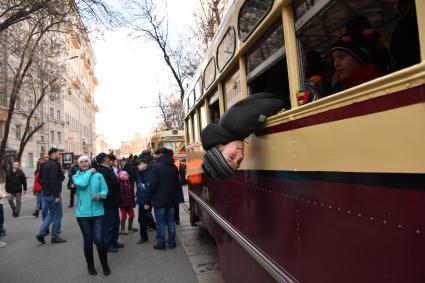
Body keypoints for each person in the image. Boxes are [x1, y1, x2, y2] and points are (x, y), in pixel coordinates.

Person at [201, 92, 285, 180]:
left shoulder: (238, 125)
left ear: (219, 147)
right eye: (238, 163)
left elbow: (276, 104)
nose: (240, 157)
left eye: (231, 157)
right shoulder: (226, 128)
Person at [72, 155, 110, 276]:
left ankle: (105, 265)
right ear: (79, 164)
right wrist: (89, 172)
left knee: (99, 239)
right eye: (81, 162)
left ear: (89, 163)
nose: (84, 163)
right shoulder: (75, 176)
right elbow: (82, 184)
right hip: (82, 214)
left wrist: (100, 195)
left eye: (86, 161)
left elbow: (105, 189)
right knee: (88, 240)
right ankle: (90, 265)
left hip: (98, 212)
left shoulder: (99, 175)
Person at [329, 30, 384, 94]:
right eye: (334, 59)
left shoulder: (378, 82)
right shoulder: (337, 89)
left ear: (359, 58)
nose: (335, 64)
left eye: (341, 57)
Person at [147, 147, 181, 250]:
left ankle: (161, 243)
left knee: (161, 222)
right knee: (171, 221)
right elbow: (177, 185)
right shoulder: (173, 167)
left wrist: (148, 197)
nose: (155, 157)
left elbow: (152, 184)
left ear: (160, 155)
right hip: (171, 200)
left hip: (159, 200)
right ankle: (172, 243)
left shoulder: (156, 167)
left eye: (157, 155)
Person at [36, 148, 66, 244]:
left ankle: (41, 233)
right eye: (58, 154)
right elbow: (53, 181)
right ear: (53, 154)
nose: (59, 155)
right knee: (58, 214)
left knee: (51, 214)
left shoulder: (44, 164)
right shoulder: (54, 165)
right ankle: (55, 236)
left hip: (46, 193)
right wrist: (56, 195)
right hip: (53, 193)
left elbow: (39, 178)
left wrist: (45, 186)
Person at [95, 153, 123, 253]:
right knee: (109, 224)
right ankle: (108, 244)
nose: (109, 159)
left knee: (115, 222)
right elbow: (105, 185)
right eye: (107, 157)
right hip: (108, 201)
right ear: (104, 159)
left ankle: (114, 241)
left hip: (113, 201)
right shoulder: (101, 170)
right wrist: (117, 181)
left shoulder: (108, 168)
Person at [390, 0, 420, 70]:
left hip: (408, 65)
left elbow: (394, 50)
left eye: (399, 9)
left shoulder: (402, 25)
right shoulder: (420, 19)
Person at [135, 158, 156, 244]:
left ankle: (144, 237)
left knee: (142, 219)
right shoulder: (140, 173)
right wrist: (137, 196)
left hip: (145, 201)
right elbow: (140, 186)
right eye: (138, 164)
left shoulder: (148, 174)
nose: (138, 166)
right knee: (144, 218)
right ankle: (154, 227)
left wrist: (147, 203)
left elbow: (148, 189)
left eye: (140, 164)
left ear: (145, 164)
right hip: (141, 200)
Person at [117, 171, 137, 235]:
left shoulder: (129, 183)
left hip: (129, 203)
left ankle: (130, 227)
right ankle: (122, 230)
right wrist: (123, 203)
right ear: (121, 177)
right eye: (126, 175)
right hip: (123, 204)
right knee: (124, 216)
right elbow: (121, 195)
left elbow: (132, 194)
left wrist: (133, 202)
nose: (128, 176)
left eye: (127, 175)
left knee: (132, 215)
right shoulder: (120, 184)